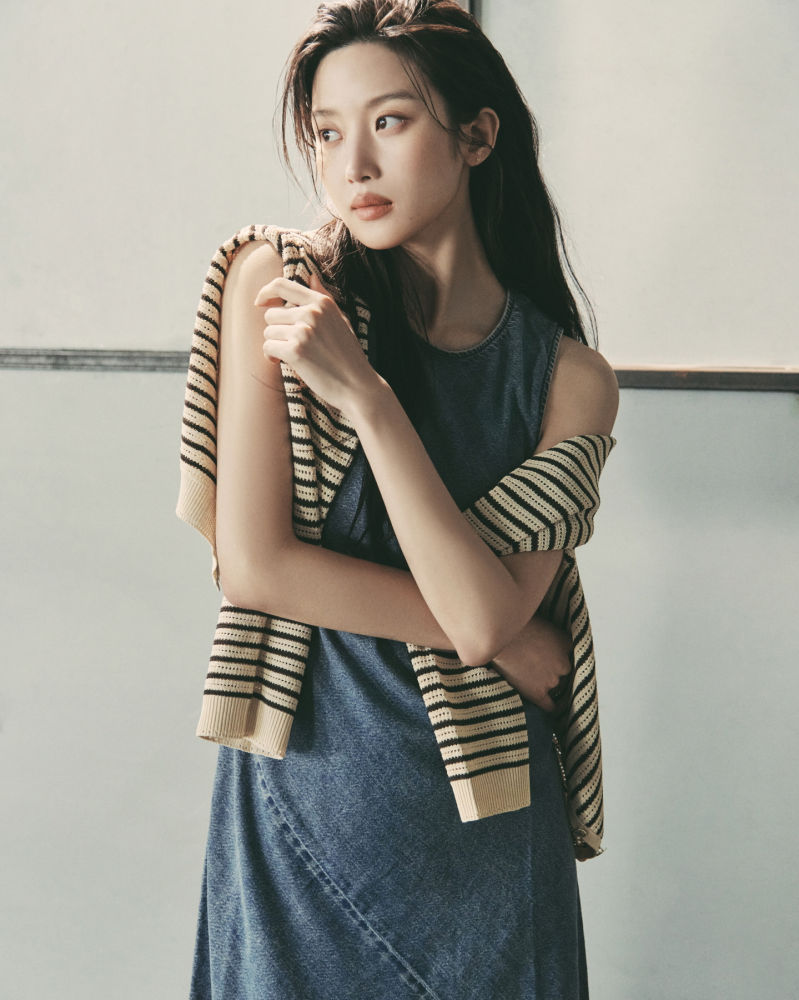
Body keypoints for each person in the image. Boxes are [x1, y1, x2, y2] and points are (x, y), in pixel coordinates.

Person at [183, 1, 618, 997]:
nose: (353, 167)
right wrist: (506, 638)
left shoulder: (568, 380)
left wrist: (369, 402)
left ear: (476, 135)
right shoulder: (280, 288)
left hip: (488, 835)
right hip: (307, 806)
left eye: (389, 122)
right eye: (327, 134)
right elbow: (257, 567)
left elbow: (480, 615)